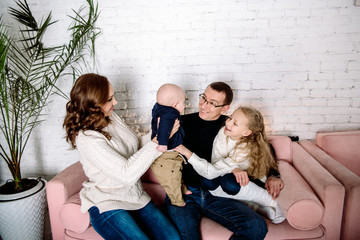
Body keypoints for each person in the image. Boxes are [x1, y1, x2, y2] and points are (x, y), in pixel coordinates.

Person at [63, 73, 180, 240]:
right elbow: (126, 174)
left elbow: (135, 145)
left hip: (135, 197)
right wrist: (159, 140)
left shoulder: (109, 117)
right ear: (94, 104)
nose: (115, 102)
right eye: (110, 99)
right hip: (106, 203)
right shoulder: (87, 138)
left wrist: (159, 131)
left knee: (172, 238)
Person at [165, 82, 283, 240]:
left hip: (217, 193)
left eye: (212, 103)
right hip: (185, 191)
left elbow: (263, 147)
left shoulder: (231, 125)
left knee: (256, 226)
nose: (204, 105)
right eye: (204, 98)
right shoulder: (182, 122)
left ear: (225, 108)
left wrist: (274, 175)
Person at [175, 106, 285, 224]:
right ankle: (256, 208)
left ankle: (271, 203)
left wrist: (186, 152)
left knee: (228, 182)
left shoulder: (246, 147)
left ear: (246, 132)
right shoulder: (223, 133)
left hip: (251, 181)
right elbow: (216, 163)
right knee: (208, 181)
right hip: (231, 178)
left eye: (235, 123)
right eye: (231, 117)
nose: (228, 122)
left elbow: (211, 171)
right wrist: (232, 168)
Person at [150, 83, 189, 207]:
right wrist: (162, 144)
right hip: (167, 154)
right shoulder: (170, 113)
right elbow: (163, 128)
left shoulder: (159, 108)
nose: (185, 105)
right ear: (175, 104)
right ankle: (177, 201)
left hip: (171, 152)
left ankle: (182, 188)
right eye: (183, 102)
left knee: (178, 172)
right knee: (172, 178)